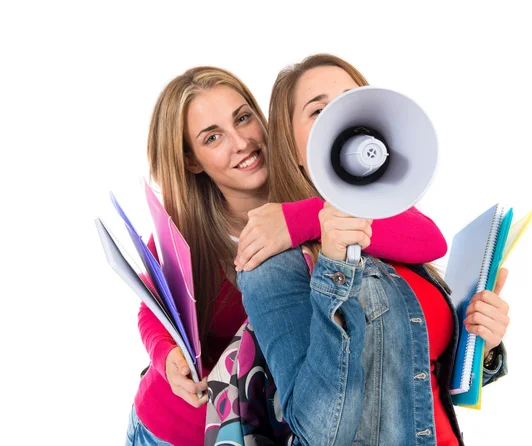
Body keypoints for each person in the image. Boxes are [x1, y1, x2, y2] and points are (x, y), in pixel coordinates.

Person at [126, 65, 449, 445]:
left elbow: (429, 240)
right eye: (213, 137)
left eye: (243, 118)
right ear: (193, 161)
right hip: (173, 427)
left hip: (271, 426)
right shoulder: (184, 233)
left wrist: (302, 219)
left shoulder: (319, 187)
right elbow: (153, 307)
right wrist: (164, 356)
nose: (241, 142)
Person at [237, 53, 510, 446]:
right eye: (318, 111)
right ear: (293, 149)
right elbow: (319, 431)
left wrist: (484, 342)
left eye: (351, 100)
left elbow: (423, 380)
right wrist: (334, 265)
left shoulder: (394, 240)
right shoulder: (274, 265)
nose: (340, 118)